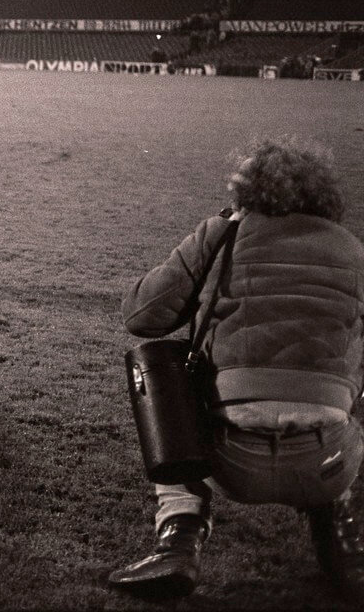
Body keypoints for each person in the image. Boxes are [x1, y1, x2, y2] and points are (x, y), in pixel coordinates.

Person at [109, 136, 364, 604]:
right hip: (328, 463)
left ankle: (179, 537)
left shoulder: (224, 233)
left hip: (228, 461)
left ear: (244, 190)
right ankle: (347, 543)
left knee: (159, 368)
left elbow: (141, 317)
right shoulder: (352, 248)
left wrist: (213, 238)